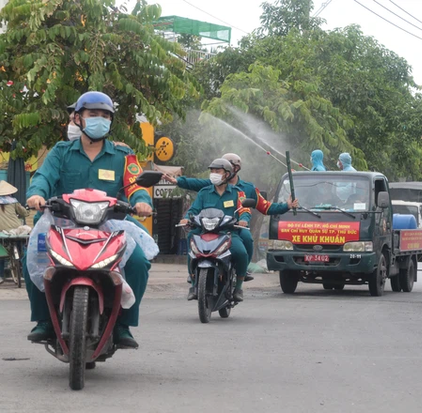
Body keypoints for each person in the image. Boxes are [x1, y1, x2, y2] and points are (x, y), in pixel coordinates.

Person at [25, 91, 154, 348]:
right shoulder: (61, 152)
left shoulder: (122, 155)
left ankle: (122, 325)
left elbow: (135, 184)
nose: (100, 120)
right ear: (78, 118)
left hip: (109, 224)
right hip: (63, 222)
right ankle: (44, 320)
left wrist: (142, 201)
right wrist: (37, 195)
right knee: (35, 253)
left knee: (139, 261)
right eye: (93, 114)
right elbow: (43, 177)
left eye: (105, 116)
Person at [163, 153, 298, 282]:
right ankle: (193, 273)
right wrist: (177, 181)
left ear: (234, 169)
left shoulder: (245, 189)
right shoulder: (209, 187)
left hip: (233, 228)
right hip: (209, 227)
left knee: (246, 238)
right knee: (192, 237)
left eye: (220, 169)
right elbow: (194, 186)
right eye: (214, 170)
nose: (216, 173)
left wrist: (286, 205)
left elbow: (266, 207)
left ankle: (242, 270)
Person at [179, 158, 251, 302]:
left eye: (217, 171)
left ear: (227, 174)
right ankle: (193, 285)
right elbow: (194, 209)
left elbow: (244, 209)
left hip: (228, 233)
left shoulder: (238, 192)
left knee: (242, 252)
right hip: (204, 231)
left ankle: (238, 288)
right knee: (191, 243)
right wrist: (186, 218)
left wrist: (244, 219)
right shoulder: (204, 192)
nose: (214, 174)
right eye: (212, 171)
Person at [0, 181, 29, 284]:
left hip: (2, 231)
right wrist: (26, 211)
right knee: (20, 243)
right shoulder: (13, 201)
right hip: (15, 229)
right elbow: (24, 213)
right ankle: (22, 267)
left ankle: (1, 275)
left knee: (1, 251)